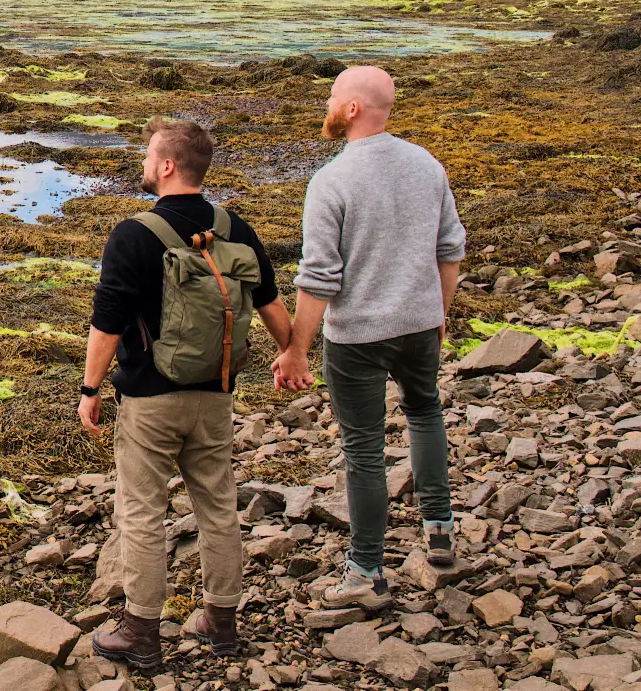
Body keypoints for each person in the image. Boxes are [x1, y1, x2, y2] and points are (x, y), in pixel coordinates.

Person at [81, 118, 293, 669]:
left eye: (150, 154)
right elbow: (271, 305)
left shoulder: (134, 233)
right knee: (218, 507)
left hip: (151, 400)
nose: (145, 163)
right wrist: (294, 354)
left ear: (169, 165)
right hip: (217, 393)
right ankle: (221, 623)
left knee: (142, 512)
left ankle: (141, 633)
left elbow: (107, 322)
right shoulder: (235, 228)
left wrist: (90, 388)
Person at [273, 66, 464, 610]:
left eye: (333, 96)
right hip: (420, 323)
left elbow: (318, 278)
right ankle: (440, 531)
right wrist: (440, 313)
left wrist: (296, 350)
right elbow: (450, 248)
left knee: (363, 449)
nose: (327, 103)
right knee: (425, 412)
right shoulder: (426, 164)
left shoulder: (333, 181)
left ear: (353, 108)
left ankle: (366, 571)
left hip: (357, 336)